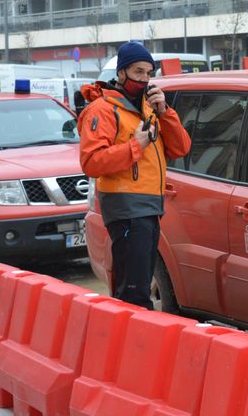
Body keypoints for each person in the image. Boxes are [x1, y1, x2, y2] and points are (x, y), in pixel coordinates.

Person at [78, 42, 192, 309]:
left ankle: (131, 340)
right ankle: (131, 343)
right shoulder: (103, 109)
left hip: (150, 204)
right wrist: (134, 146)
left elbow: (181, 147)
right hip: (126, 206)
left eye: (149, 73)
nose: (144, 79)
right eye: (138, 71)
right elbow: (91, 162)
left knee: (140, 284)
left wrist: (165, 112)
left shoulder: (149, 106)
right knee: (134, 291)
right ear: (121, 73)